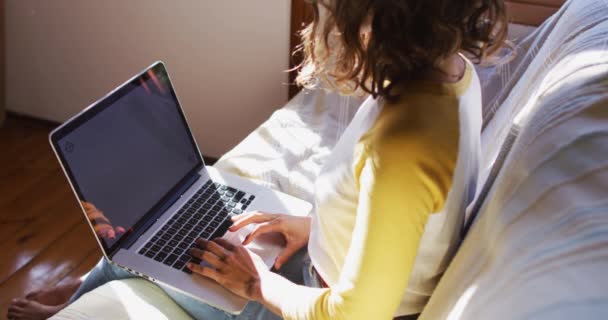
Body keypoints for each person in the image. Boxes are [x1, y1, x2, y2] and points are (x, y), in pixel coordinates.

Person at [7, 0, 508, 319]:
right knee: (164, 224)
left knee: (148, 235)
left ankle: (80, 294)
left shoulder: (408, 141)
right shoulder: (450, 73)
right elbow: (406, 217)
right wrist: (312, 226)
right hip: (320, 267)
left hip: (314, 302)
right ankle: (90, 282)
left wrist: (255, 282)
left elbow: (356, 315)